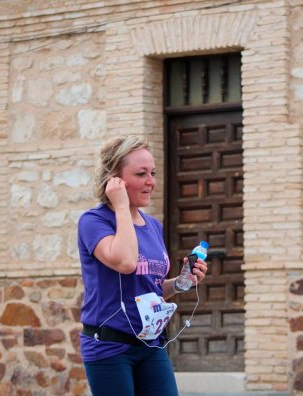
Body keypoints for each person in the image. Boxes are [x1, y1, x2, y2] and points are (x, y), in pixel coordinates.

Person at [77, 135, 208, 396]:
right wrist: (121, 206)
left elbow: (151, 289)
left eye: (153, 173)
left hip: (150, 345)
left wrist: (182, 283)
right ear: (115, 179)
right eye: (141, 174)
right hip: (109, 347)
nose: (151, 182)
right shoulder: (93, 222)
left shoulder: (154, 226)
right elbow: (125, 262)